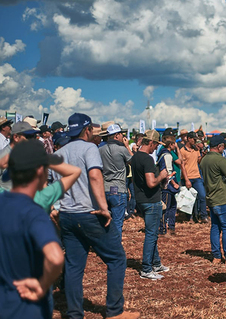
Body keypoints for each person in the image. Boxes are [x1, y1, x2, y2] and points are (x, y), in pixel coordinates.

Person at [53, 113, 138, 319]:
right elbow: (94, 175)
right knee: (116, 258)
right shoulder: (90, 148)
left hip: (67, 214)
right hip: (89, 213)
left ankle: (74, 314)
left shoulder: (59, 153)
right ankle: (114, 311)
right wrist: (103, 207)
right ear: (87, 129)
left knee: (74, 266)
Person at [0, 140, 64, 319]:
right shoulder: (33, 212)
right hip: (26, 307)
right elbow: (55, 257)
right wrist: (43, 285)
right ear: (39, 171)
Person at [130, 130, 170, 280]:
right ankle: (146, 269)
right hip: (151, 200)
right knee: (151, 235)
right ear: (151, 143)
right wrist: (162, 175)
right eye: (155, 145)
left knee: (151, 233)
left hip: (141, 199)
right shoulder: (147, 159)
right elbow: (151, 182)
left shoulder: (135, 158)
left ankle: (156, 263)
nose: (155, 148)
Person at [200, 135, 226, 264]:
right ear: (219, 147)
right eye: (223, 146)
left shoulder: (204, 160)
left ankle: (217, 256)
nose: (224, 148)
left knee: (215, 227)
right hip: (223, 198)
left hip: (212, 198)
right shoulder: (220, 160)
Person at [99, 123, 133, 236]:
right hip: (119, 188)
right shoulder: (121, 149)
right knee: (117, 222)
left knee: (105, 221)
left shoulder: (101, 149)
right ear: (117, 135)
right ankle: (116, 248)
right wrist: (127, 146)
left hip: (105, 188)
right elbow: (133, 161)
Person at [180, 131, 208, 223]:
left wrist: (203, 156)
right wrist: (186, 179)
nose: (195, 141)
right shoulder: (182, 151)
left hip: (196, 176)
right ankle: (191, 217)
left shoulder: (196, 150)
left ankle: (203, 216)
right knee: (190, 199)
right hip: (188, 177)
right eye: (194, 139)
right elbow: (182, 166)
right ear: (189, 139)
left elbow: (198, 161)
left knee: (202, 196)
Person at [157, 137, 180, 236]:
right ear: (171, 145)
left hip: (167, 185)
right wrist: (173, 183)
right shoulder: (167, 155)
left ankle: (171, 227)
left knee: (172, 206)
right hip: (167, 185)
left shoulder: (163, 154)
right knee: (166, 208)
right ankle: (163, 230)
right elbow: (168, 171)